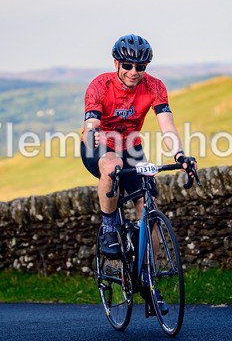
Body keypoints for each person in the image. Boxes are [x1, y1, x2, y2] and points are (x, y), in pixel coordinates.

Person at [80, 34, 197, 260]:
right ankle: (109, 228)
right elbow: (91, 122)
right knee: (113, 165)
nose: (133, 71)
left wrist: (180, 155)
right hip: (99, 146)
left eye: (140, 66)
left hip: (131, 148)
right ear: (116, 63)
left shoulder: (155, 86)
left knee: (148, 206)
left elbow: (167, 126)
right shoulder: (99, 85)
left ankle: (147, 278)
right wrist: (92, 134)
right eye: (127, 65)